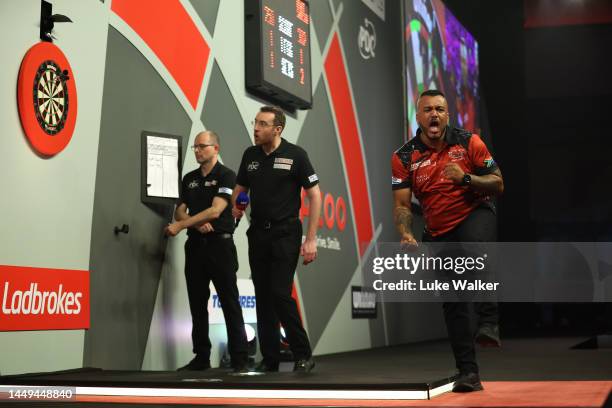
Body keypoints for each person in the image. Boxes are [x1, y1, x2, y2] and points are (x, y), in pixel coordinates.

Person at [391, 90, 504, 392]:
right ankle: (469, 373)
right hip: (438, 229)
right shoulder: (403, 157)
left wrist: (466, 179)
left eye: (440, 109)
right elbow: (402, 205)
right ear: (418, 116)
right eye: (428, 109)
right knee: (452, 302)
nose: (434, 115)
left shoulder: (469, 142)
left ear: (447, 115)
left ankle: (489, 322)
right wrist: (406, 233)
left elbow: (497, 183)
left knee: (474, 247)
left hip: (474, 211)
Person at [232, 105, 322, 373]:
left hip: (286, 232)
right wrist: (237, 205)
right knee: (262, 295)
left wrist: (312, 238)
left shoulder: (296, 155)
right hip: (258, 232)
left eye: (262, 124)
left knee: (280, 293)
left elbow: (315, 195)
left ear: (277, 129)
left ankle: (302, 354)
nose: (256, 128)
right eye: (255, 123)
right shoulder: (250, 155)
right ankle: (269, 358)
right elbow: (240, 190)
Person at [165, 130, 248, 372]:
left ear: (215, 148)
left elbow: (216, 210)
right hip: (196, 247)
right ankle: (201, 357)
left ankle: (240, 358)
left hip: (220, 245)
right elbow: (179, 211)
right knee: (197, 303)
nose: (198, 150)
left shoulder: (227, 175)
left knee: (230, 301)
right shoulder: (189, 178)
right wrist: (192, 223)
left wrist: (182, 225)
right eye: (195, 147)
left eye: (203, 146)